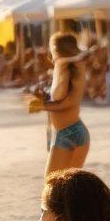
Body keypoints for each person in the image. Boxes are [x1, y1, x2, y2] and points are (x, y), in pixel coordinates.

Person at [38, 32, 90, 176]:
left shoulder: (70, 69)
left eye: (52, 49)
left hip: (71, 133)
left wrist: (41, 105)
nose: (51, 54)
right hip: (68, 132)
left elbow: (67, 103)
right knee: (65, 189)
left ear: (60, 50)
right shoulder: (66, 68)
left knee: (54, 186)